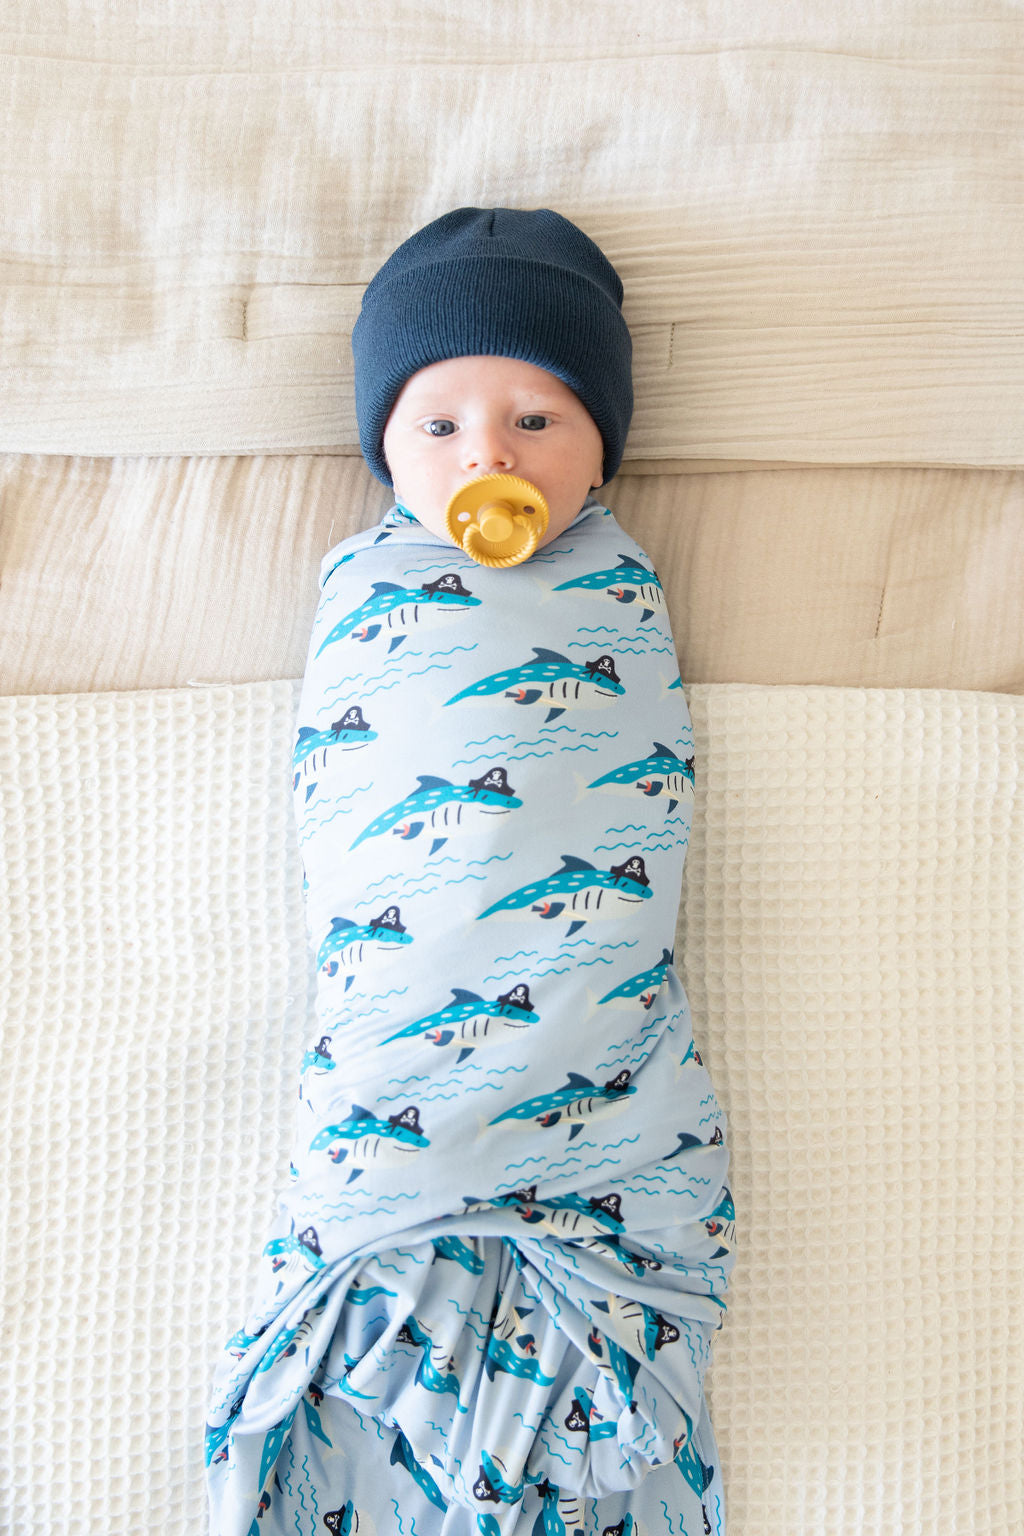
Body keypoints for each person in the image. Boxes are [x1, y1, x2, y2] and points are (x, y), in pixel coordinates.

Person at [206, 206, 734, 1536]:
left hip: (589, 1026)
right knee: (377, 1155)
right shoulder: (362, 580)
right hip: (396, 1025)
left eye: (536, 420)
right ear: (385, 449)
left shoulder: (619, 587)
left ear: (604, 447)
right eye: (439, 425)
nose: (487, 454)